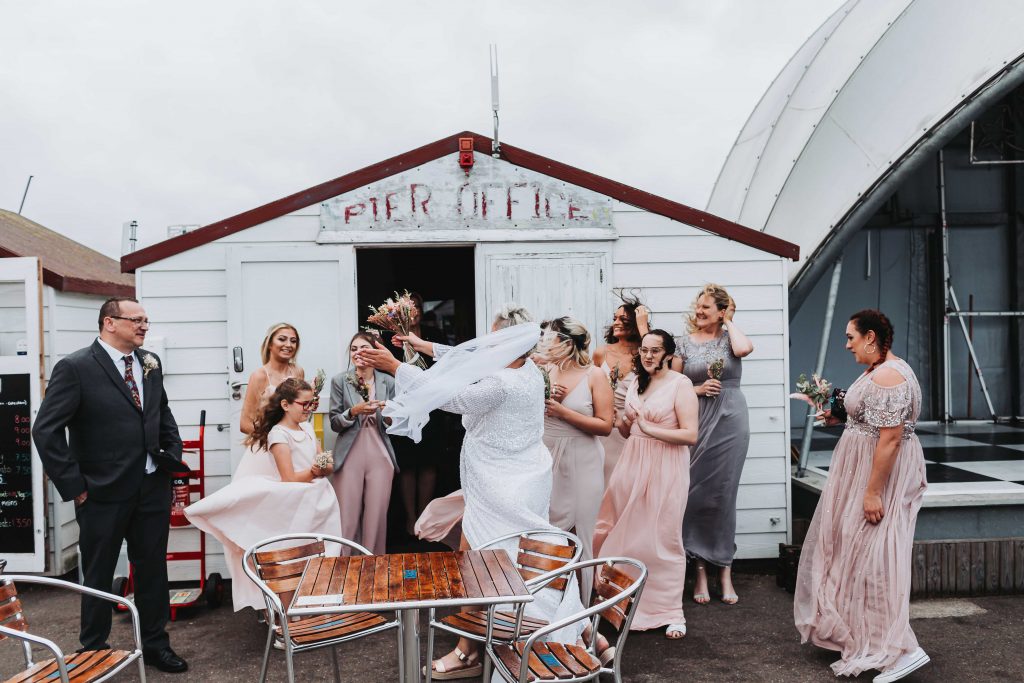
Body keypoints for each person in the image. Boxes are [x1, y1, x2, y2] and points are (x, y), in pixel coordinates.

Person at [357, 306, 588, 679]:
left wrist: (395, 366)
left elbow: (451, 398)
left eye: (495, 338)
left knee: (495, 568)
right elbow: (464, 356)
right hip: (518, 478)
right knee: (513, 560)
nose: (487, 345)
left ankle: (478, 649)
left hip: (502, 487)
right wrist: (419, 343)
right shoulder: (527, 368)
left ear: (509, 343)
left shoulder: (501, 383)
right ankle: (569, 630)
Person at [32, 297, 190, 673]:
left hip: (152, 485)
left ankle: (155, 644)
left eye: (146, 320)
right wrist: (75, 486)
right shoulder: (76, 367)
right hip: (100, 491)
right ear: (109, 323)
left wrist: (172, 452)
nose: (144, 326)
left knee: (152, 569)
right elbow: (46, 430)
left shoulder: (150, 363)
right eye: (136, 320)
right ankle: (94, 650)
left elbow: (160, 411)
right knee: (99, 572)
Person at [794, 310, 929, 682]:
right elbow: (873, 421)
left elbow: (889, 440)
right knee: (855, 552)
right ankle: (867, 635)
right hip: (860, 470)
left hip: (877, 476)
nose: (846, 344)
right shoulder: (878, 368)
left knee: (877, 557)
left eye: (851, 337)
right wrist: (841, 418)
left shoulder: (888, 376)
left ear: (871, 337)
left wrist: (872, 493)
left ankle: (902, 649)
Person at [186, 378, 339, 612]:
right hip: (296, 502)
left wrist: (325, 465)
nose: (309, 409)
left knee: (318, 554)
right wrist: (314, 471)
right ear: (286, 405)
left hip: (317, 498)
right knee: (292, 557)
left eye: (312, 404)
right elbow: (288, 477)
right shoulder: (279, 434)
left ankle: (311, 608)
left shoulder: (307, 428)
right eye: (304, 404)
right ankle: (286, 617)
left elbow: (322, 459)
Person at [593, 329, 698, 640]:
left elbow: (690, 435)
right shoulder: (638, 382)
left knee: (663, 539)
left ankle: (669, 611)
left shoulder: (681, 385)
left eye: (655, 351)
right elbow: (629, 432)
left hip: (665, 469)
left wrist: (649, 427)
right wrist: (622, 422)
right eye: (644, 351)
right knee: (622, 535)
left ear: (667, 354)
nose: (648, 356)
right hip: (631, 465)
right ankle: (622, 604)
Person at [675, 284, 754, 606]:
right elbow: (673, 386)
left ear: (721, 311)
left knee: (724, 495)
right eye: (698, 306)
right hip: (696, 417)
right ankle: (701, 568)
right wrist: (696, 389)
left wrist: (729, 320)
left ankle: (724, 569)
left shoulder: (729, 338)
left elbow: (745, 349)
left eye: (706, 307)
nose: (699, 312)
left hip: (731, 420)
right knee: (694, 495)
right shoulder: (682, 343)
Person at [537, 317, 613, 601]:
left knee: (579, 533)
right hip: (547, 455)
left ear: (567, 343)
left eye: (552, 338)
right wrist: (543, 395)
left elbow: (606, 425)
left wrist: (563, 412)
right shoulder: (546, 369)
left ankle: (581, 610)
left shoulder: (594, 375)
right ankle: (552, 604)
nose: (546, 343)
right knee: (549, 533)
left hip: (583, 458)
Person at [328, 332, 399, 554]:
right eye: (354, 349)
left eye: (364, 348)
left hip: (379, 452)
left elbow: (396, 423)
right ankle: (344, 570)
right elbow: (334, 422)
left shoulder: (388, 381)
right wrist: (353, 411)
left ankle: (374, 568)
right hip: (350, 453)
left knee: (376, 517)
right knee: (347, 517)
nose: (358, 353)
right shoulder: (340, 380)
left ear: (375, 351)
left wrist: (389, 414)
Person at [592, 295, 647, 485]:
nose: (616, 323)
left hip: (636, 426)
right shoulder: (601, 352)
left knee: (632, 483)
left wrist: (644, 328)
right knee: (605, 481)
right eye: (615, 318)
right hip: (607, 425)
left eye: (623, 319)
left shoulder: (646, 353)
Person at [239, 323, 304, 435]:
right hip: (268, 443)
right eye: (282, 339)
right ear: (269, 344)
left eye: (293, 341)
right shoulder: (259, 376)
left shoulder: (297, 372)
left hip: (294, 439)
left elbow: (298, 412)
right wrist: (274, 441)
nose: (288, 345)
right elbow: (244, 424)